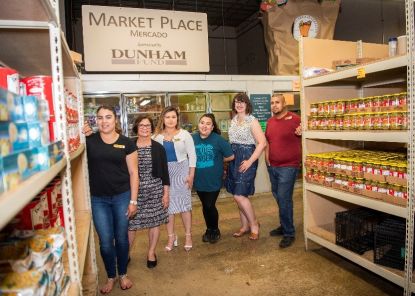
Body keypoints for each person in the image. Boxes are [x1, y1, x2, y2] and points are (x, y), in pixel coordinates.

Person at [83, 106, 139, 293]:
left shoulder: (127, 143)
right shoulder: (89, 141)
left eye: (108, 117)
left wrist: (133, 201)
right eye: (100, 118)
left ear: (115, 119)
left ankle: (122, 273)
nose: (104, 121)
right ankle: (110, 276)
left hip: (122, 196)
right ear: (95, 121)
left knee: (121, 238)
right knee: (106, 241)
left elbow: (134, 173)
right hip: (98, 199)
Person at [128, 115, 170, 268]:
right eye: (141, 125)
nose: (145, 128)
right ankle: (126, 253)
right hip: (134, 192)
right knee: (131, 224)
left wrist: (166, 194)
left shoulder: (158, 148)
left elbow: (165, 173)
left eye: (147, 126)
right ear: (136, 128)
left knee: (155, 222)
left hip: (155, 190)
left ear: (152, 128)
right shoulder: (129, 146)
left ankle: (151, 252)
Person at [153, 106, 196, 252]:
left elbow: (193, 156)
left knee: (184, 206)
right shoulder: (157, 136)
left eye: (173, 117)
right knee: (168, 207)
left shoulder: (185, 135)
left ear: (177, 119)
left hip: (182, 171)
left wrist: (191, 175)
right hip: (166, 173)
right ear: (163, 119)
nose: (171, 120)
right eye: (167, 117)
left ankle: (188, 235)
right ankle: (172, 237)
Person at [225, 93, 266, 240]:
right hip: (234, 158)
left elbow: (262, 143)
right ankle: (244, 226)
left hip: (247, 157)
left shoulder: (252, 121)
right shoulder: (234, 120)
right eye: (236, 102)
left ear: (247, 104)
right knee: (238, 194)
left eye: (241, 102)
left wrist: (249, 161)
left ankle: (254, 224)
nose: (239, 104)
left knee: (239, 195)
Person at [265, 93, 302, 248]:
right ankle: (284, 224)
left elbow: (307, 133)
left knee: (284, 198)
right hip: (272, 166)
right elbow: (268, 141)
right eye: (272, 103)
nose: (274, 105)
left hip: (289, 166)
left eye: (277, 102)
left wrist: (304, 131)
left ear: (284, 103)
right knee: (278, 197)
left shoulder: (295, 119)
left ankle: (289, 233)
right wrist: (267, 159)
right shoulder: (270, 121)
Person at [192, 114, 234, 244]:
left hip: (213, 179)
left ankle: (215, 230)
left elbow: (231, 156)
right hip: (198, 179)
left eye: (208, 123)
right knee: (205, 206)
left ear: (212, 126)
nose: (204, 126)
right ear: (198, 124)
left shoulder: (218, 140)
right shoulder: (192, 138)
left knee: (210, 205)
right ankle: (209, 229)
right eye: (202, 122)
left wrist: (219, 159)